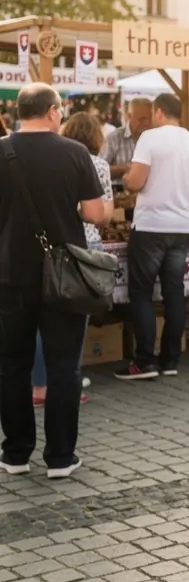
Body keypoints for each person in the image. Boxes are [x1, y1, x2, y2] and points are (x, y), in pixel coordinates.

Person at [0, 83, 105, 479]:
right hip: (64, 275)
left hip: (10, 273)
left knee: (12, 365)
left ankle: (15, 454)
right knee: (64, 366)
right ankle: (60, 457)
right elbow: (95, 214)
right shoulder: (75, 153)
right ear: (52, 111)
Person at [117, 93, 189, 380]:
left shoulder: (150, 139)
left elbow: (135, 180)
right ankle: (170, 360)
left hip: (151, 224)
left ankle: (144, 362)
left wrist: (131, 180)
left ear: (158, 112)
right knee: (174, 293)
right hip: (182, 225)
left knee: (142, 294)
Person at [27, 113, 113, 408]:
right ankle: (69, 384)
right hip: (83, 249)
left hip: (47, 247)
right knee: (75, 319)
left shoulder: (42, 159)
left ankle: (39, 385)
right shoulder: (97, 164)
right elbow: (101, 214)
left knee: (40, 321)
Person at [102, 97, 152, 184]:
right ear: (129, 116)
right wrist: (123, 168)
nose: (147, 123)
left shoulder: (155, 138)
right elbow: (99, 170)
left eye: (150, 119)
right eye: (142, 119)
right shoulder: (114, 138)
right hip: (120, 194)